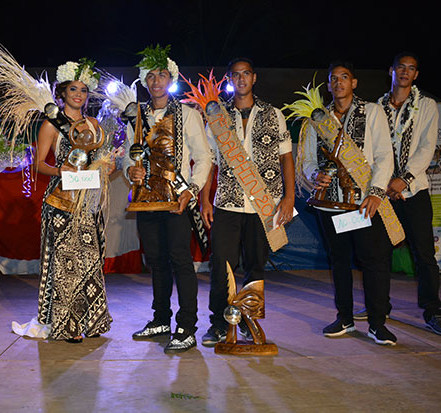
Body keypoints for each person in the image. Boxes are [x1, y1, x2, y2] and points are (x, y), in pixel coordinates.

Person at [199, 58, 295, 346]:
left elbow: (286, 158)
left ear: (254, 78)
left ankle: (249, 320)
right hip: (227, 202)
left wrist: (289, 197)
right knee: (222, 266)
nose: (241, 79)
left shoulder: (274, 114)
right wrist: (205, 200)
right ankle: (218, 323)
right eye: (236, 75)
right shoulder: (217, 116)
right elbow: (208, 161)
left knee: (256, 265)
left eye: (246, 74)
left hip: (265, 205)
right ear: (230, 80)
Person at [301, 61, 398, 345]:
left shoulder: (372, 111)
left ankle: (377, 323)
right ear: (329, 85)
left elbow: (383, 155)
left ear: (354, 83)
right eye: (334, 79)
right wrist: (313, 175)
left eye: (345, 77)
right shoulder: (316, 118)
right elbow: (306, 160)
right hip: (330, 207)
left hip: (363, 204)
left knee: (373, 261)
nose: (339, 83)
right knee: (339, 261)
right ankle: (344, 317)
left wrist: (376, 192)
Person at [124, 45, 212, 352]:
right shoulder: (137, 116)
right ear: (145, 82)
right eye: (151, 77)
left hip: (177, 200)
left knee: (180, 261)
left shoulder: (187, 114)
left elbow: (204, 158)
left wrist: (193, 190)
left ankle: (187, 326)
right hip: (147, 201)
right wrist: (130, 173)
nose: (156, 82)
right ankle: (161, 319)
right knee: (157, 262)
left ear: (171, 79)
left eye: (162, 75)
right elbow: (128, 156)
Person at [352, 52, 441, 335]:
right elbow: (374, 150)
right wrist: (384, 184)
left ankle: (433, 310)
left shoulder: (427, 106)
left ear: (416, 75)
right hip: (384, 194)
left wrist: (403, 180)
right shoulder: (376, 107)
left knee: (424, 253)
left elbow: (427, 148)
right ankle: (379, 305)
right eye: (400, 67)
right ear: (391, 71)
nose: (405, 72)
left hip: (413, 191)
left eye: (411, 68)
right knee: (376, 253)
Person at [35, 59, 113, 343]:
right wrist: (60, 170)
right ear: (63, 93)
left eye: (83, 90)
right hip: (61, 201)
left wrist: (107, 165)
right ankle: (66, 325)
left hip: (88, 201)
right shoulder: (52, 124)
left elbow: (102, 161)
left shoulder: (94, 124)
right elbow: (38, 165)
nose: (78, 95)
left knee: (90, 261)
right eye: (73, 90)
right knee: (66, 263)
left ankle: (91, 321)